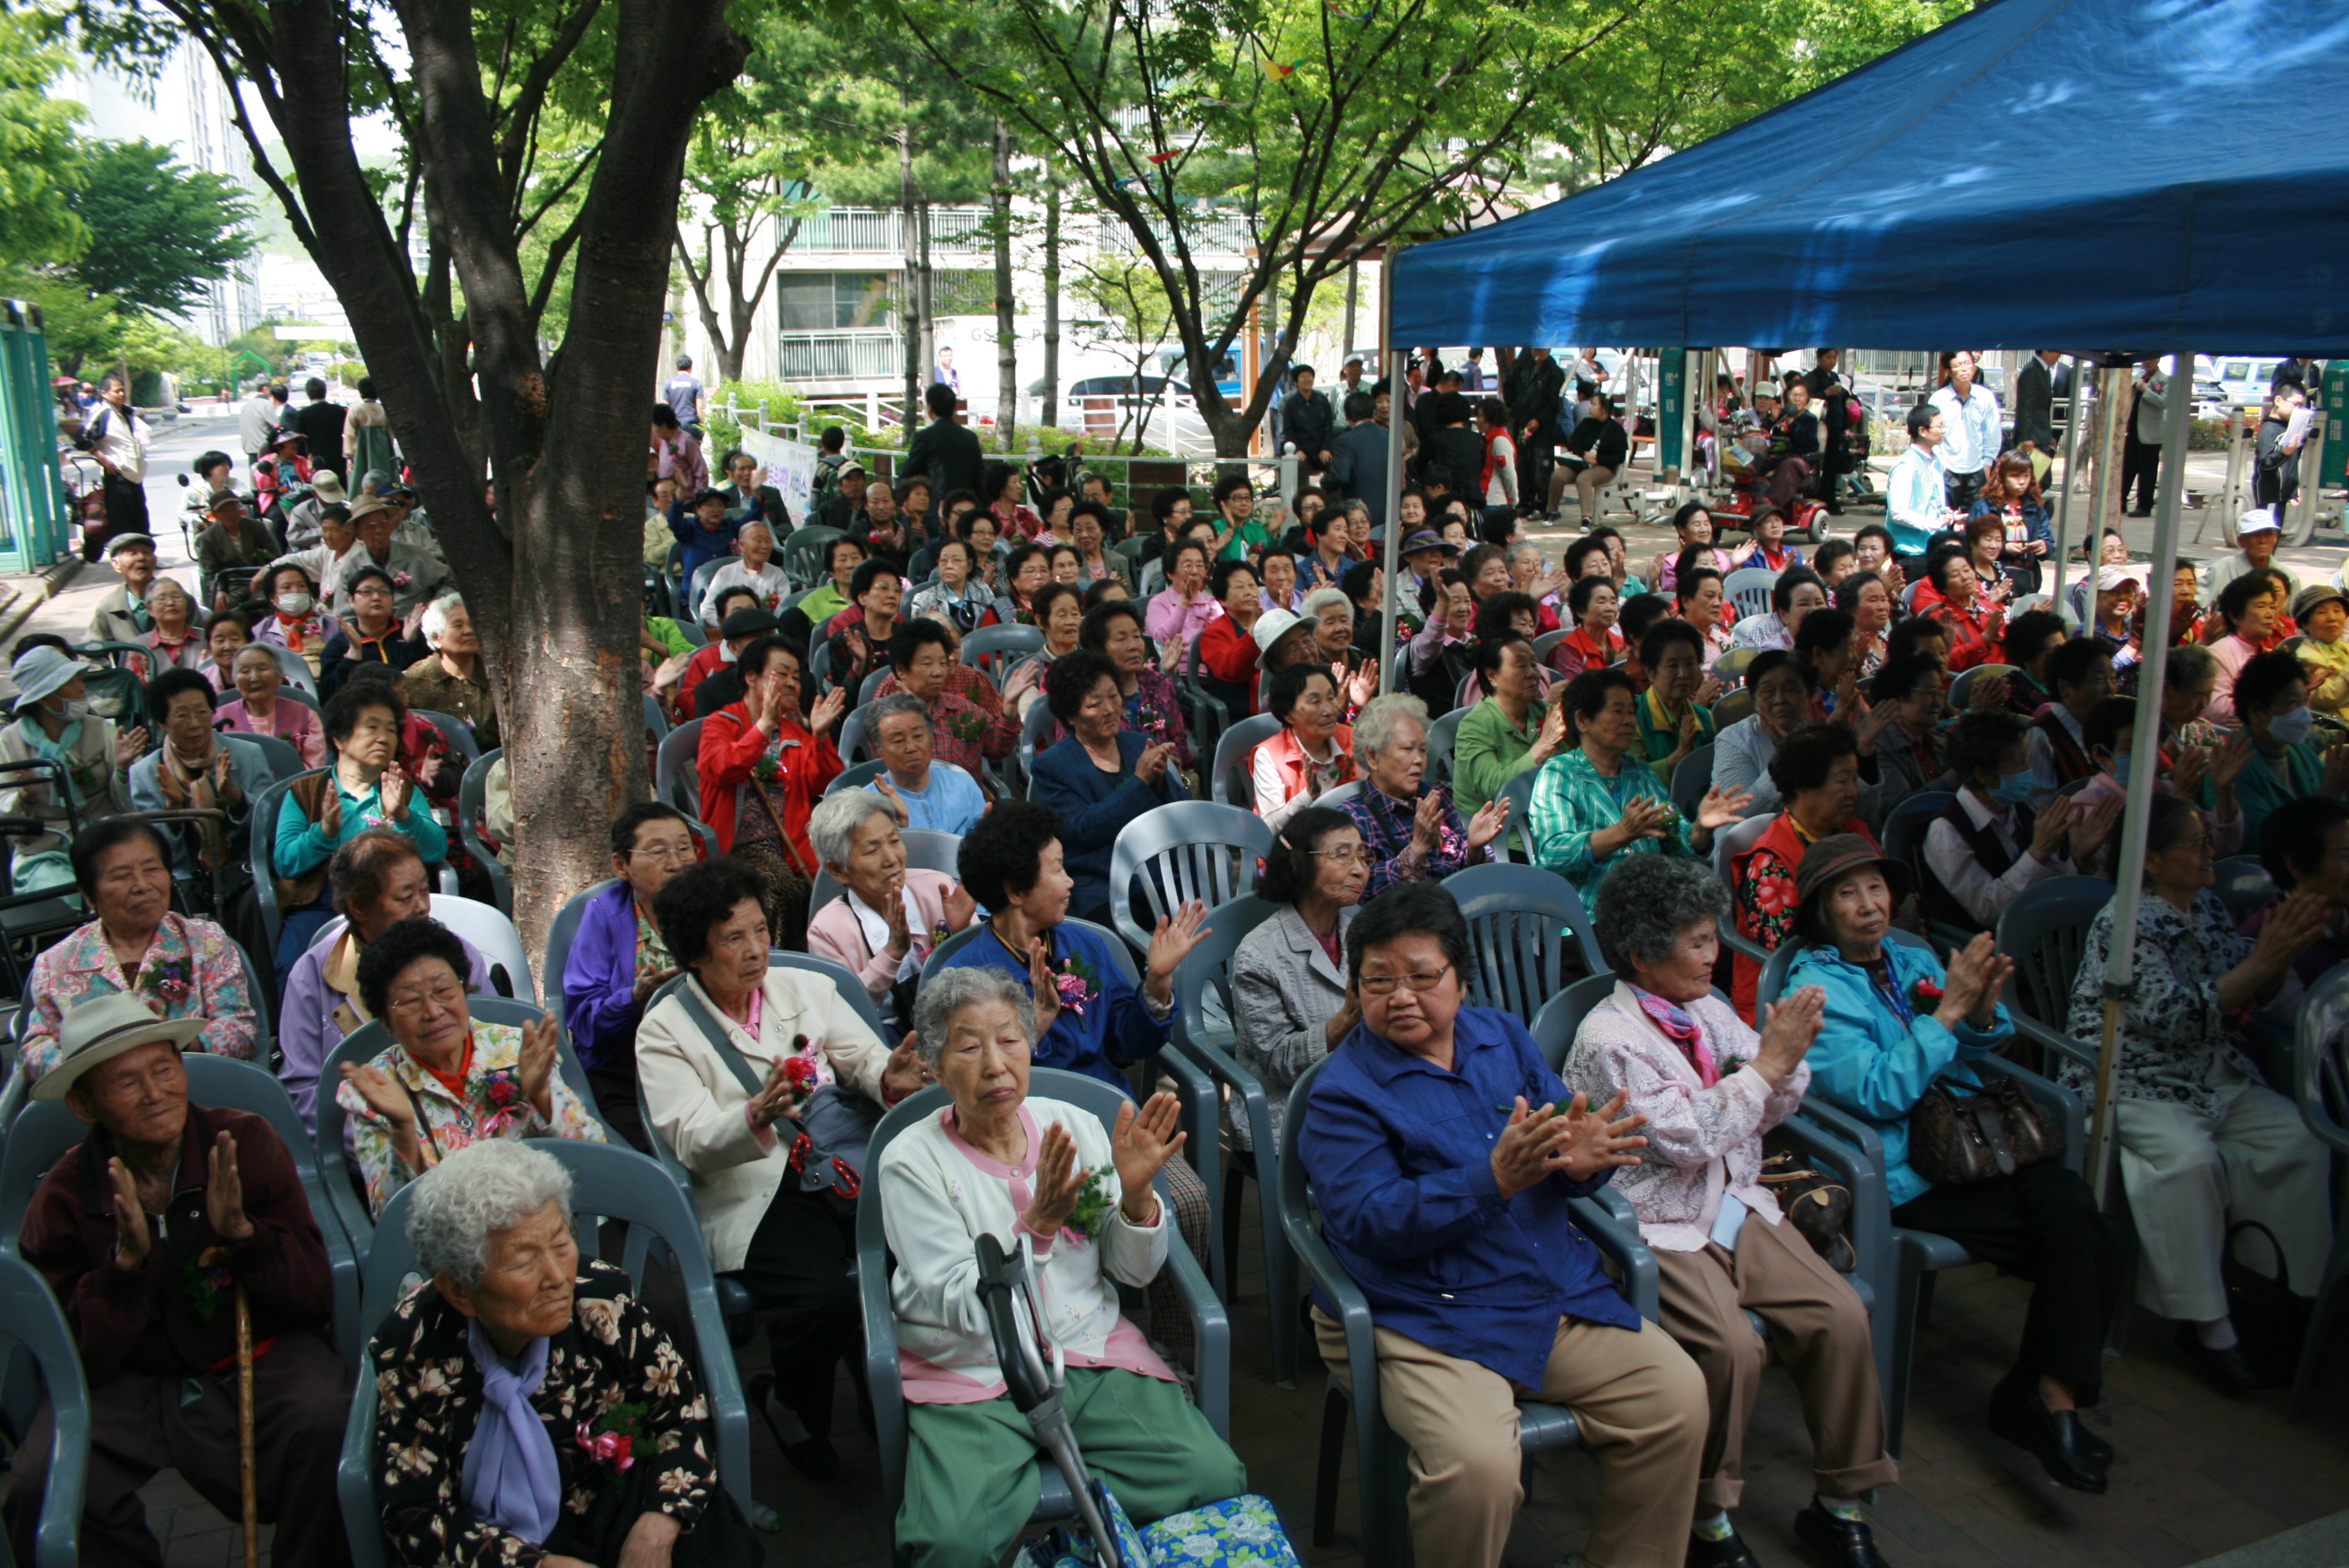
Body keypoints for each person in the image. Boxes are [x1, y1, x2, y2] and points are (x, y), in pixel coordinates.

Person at [1297, 879, 1705, 1568]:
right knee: (1478, 1469)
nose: (1400, 996)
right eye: (1378, 981)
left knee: (1677, 1399)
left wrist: (1581, 1163)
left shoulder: (1502, 1037)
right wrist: (1493, 1180)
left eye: (1422, 977)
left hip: (1542, 1290)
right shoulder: (1344, 1094)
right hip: (1419, 1315)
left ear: (1460, 980)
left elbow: (1566, 1141)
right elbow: (1368, 1223)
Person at [1571, 854, 1898, 1564]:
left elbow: (1772, 1088)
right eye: (1695, 941)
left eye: (1713, 936)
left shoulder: (1707, 1009)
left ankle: (1842, 1501)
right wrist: (1767, 1071)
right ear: (1641, 955)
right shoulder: (1608, 1039)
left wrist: (1780, 1064)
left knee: (1840, 1314)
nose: (1714, 954)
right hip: (1657, 1222)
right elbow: (1687, 1138)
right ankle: (1706, 1514)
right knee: (1731, 1347)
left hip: (1734, 1201)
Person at [878, 967, 1246, 1567]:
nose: (995, 1064)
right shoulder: (911, 1162)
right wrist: (1039, 1227)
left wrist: (1135, 1199)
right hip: (974, 1375)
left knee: (1210, 1478)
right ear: (936, 1067)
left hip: (1087, 1354)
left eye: (1010, 1040)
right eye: (969, 1047)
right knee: (952, 1544)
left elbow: (1132, 1275)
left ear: (1031, 1046)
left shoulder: (1070, 1125)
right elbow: (969, 1315)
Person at [1786, 837, 2123, 1490]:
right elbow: (1876, 1091)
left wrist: (1983, 1013)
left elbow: (1970, 1051)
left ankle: (2042, 1393)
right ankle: (2044, 1403)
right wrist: (1945, 1015)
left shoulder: (1911, 957)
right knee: (2080, 1240)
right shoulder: (1815, 989)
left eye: (1876, 888)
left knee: (2081, 1217)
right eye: (1847, 894)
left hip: (1980, 1140)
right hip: (1907, 1167)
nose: (1868, 906)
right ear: (1822, 913)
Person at [8, 993, 352, 1567]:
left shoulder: (243, 1143)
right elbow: (71, 1355)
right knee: (39, 1483)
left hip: (255, 1354)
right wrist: (123, 1272)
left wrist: (245, 1236)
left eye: (164, 1069)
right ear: (84, 1103)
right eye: (125, 1083)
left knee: (330, 1423)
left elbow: (313, 1294)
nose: (154, 1093)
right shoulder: (64, 1197)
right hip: (128, 1378)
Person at [634, 857, 920, 1480]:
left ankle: (903, 1405)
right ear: (693, 953)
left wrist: (886, 1077)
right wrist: (755, 1116)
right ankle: (794, 1400)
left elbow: (861, 1058)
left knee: (912, 1259)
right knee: (826, 1292)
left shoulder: (804, 989)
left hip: (841, 1162)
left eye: (761, 930)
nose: (756, 949)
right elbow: (689, 1139)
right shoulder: (665, 1031)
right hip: (754, 1185)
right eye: (733, 938)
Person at [369, 1140, 757, 1568]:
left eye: (560, 1243)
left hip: (616, 1502)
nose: (558, 1277)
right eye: (523, 1261)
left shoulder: (601, 1301)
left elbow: (682, 1414)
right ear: (460, 1290)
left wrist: (658, 1523)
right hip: (493, 1543)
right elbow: (417, 1517)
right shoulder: (413, 1350)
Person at [2060, 793, 2333, 1390]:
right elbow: (2179, 1015)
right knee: (2188, 1161)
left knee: (2298, 1140)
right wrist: (2265, 963)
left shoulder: (2204, 906)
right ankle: (2210, 1327)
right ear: (2152, 860)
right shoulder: (2125, 924)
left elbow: (2243, 970)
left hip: (2208, 1069)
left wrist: (2273, 962)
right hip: (2133, 1076)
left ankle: (2289, 1296)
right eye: (2197, 844)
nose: (2211, 853)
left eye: (2210, 840)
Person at [15, 817, 258, 1093]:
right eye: (121, 875)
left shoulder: (205, 942)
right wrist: (87, 1062)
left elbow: (240, 1030)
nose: (142, 885)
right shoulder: (57, 963)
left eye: (152, 869)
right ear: (88, 894)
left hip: (195, 1092)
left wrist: (176, 1042)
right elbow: (33, 1051)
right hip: (100, 1106)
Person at [271, 679, 448, 968]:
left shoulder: (401, 790)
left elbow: (435, 850)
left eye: (391, 729)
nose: (384, 737)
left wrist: (404, 816)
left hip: (392, 903)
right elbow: (285, 862)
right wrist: (324, 833)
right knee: (295, 966)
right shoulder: (304, 793)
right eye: (372, 727)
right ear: (340, 738)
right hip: (320, 904)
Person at [1533, 668, 1749, 900]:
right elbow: (1552, 853)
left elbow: (1677, 841)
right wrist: (1621, 833)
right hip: (1588, 913)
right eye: (1617, 711)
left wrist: (1701, 829)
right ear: (1583, 720)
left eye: (1631, 712)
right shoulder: (1560, 773)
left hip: (1651, 905)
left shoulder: (1641, 773)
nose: (1629, 721)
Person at [1230, 807, 1366, 1154]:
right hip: (1290, 1110)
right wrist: (1344, 1022)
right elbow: (1277, 1061)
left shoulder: (1363, 934)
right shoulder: (1259, 954)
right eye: (1341, 855)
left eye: (1363, 856)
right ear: (1299, 863)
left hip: (1362, 1092)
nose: (1359, 869)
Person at [697, 636, 847, 947]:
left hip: (793, 842)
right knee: (776, 885)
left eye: (796, 675)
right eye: (782, 673)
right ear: (751, 676)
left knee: (843, 874)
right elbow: (722, 769)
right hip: (737, 845)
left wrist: (819, 737)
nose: (793, 683)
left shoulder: (793, 732)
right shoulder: (720, 724)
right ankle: (780, 962)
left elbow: (822, 783)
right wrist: (763, 726)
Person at [1029, 651, 1193, 923]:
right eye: (1095, 703)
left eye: (1114, 696)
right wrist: (1140, 782)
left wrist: (1162, 781)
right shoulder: (1052, 766)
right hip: (1103, 886)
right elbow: (1082, 829)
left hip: (1159, 874)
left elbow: (1179, 813)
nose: (1109, 709)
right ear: (1070, 715)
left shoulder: (1139, 744)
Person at [1725, 721, 1876, 1018]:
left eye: (1854, 780)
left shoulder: (1857, 835)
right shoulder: (1769, 863)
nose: (1853, 792)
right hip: (1792, 998)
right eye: (1842, 781)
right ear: (1804, 786)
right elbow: (1790, 958)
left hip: (1862, 975)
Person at [805, 790, 980, 1040]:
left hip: (959, 1019)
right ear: (838, 870)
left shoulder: (938, 887)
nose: (891, 859)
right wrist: (892, 954)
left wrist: (961, 934)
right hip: (885, 1040)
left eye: (894, 841)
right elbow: (845, 1014)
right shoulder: (827, 930)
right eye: (871, 851)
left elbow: (984, 976)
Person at [1917, 711, 2110, 931]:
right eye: (2019, 763)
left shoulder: (2019, 809)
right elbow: (1986, 910)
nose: (2027, 770)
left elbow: (2051, 884)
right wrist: (2037, 853)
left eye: (2027, 759)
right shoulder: (1946, 831)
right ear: (1983, 774)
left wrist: (2078, 858)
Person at [1340, 692, 1507, 897]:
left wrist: (1475, 849)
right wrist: (1417, 849)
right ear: (1373, 756)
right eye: (1408, 749)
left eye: (1422, 750)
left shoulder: (1436, 795)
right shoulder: (1355, 818)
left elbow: (1476, 875)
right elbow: (1363, 891)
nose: (1419, 760)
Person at [0, 643, 140, 879]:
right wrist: (26, 797)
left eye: (80, 679)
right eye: (71, 682)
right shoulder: (8, 742)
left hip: (105, 836)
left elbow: (126, 803)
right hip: (45, 849)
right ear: (45, 697)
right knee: (60, 888)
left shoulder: (100, 729)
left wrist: (123, 769)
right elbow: (7, 820)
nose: (81, 688)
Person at [1453, 632, 1568, 822]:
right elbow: (1496, 788)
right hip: (1501, 832)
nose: (1532, 672)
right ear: (1492, 676)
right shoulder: (1474, 726)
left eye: (1534, 664)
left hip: (1549, 819)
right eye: (1521, 665)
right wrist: (1544, 744)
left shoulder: (1544, 712)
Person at [1075, 597, 1196, 770]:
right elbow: (1078, 763)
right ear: (1098, 648)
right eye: (1121, 639)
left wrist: (1170, 759)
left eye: (1136, 636)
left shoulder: (1159, 684)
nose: (1133, 646)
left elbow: (1180, 745)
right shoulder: (1085, 699)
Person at [2246, 794, 2349, 988]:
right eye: (2346, 856)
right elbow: (2301, 1016)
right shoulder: (2264, 946)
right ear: (2296, 866)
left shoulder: (2341, 910)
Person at [861, 692, 986, 834]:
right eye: (898, 741)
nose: (911, 747)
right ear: (879, 751)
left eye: (918, 736)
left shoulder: (963, 784)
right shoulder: (869, 805)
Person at [398, 591, 500, 748]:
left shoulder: (498, 677)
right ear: (437, 638)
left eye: (472, 624)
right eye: (458, 625)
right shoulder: (414, 681)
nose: (468, 631)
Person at [2023, 636, 2116, 802]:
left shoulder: (2110, 729)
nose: (2110, 689)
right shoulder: (2042, 735)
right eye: (2099, 680)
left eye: (2113, 679)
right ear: (2065, 687)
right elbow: (2039, 807)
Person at [319, 563, 425, 701]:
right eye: (367, 592)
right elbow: (328, 696)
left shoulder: (411, 632)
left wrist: (411, 644)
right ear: (351, 600)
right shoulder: (340, 644)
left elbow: (424, 683)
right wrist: (353, 656)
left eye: (384, 591)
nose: (376, 597)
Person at [2206, 570, 2294, 726]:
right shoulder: (2218, 654)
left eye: (2272, 607)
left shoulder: (2268, 654)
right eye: (2261, 607)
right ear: (2235, 616)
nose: (2270, 614)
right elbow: (2220, 710)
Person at [78, 372, 152, 554]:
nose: (121, 394)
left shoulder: (127, 413)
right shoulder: (102, 413)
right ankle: (125, 560)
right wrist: (102, 458)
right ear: (104, 393)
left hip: (135, 477)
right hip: (118, 476)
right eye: (117, 391)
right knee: (123, 524)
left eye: (123, 391)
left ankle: (145, 556)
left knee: (140, 520)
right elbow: (81, 437)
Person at [1921, 545, 2005, 673]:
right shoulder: (1939, 618)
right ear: (1943, 586)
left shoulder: (1989, 607)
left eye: (1967, 570)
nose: (1965, 577)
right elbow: (1949, 662)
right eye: (1955, 574)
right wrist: (1985, 638)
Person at [2202, 507, 2301, 615]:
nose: (2263, 541)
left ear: (2275, 538)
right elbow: (2195, 605)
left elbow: (2298, 621)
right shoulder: (2221, 569)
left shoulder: (2290, 577)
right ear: (2241, 541)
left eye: (2268, 535)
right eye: (2256, 535)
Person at [193, 490, 277, 612]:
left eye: (233, 508)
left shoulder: (256, 527)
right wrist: (219, 591)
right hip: (231, 585)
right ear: (215, 515)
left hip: (260, 579)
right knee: (225, 608)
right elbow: (211, 572)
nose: (231, 514)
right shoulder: (208, 538)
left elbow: (275, 556)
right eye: (224, 511)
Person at [254, 560, 341, 676]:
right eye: (287, 587)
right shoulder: (262, 631)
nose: (295, 591)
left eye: (301, 586)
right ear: (273, 598)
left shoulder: (332, 624)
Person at [1884, 406, 1949, 562]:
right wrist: (1933, 524)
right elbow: (1898, 512)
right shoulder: (1906, 466)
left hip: (1931, 547)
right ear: (1923, 431)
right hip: (1910, 552)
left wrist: (1948, 517)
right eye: (1939, 426)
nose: (1944, 430)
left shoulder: (1935, 460)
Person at [903, 379, 986, 500]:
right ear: (953, 408)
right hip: (964, 506)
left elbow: (909, 473)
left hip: (934, 508)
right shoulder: (970, 437)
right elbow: (979, 478)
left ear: (930, 407)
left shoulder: (925, 437)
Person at [1732, 566, 1828, 655]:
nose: (1814, 610)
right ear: (1784, 614)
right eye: (1804, 604)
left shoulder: (1835, 640)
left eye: (1819, 603)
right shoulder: (1772, 650)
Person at [87, 532, 163, 643]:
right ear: (116, 564)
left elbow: (197, 640)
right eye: (132, 553)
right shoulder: (110, 607)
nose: (141, 558)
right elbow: (92, 649)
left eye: (146, 552)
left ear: (155, 560)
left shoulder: (178, 599)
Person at [2122, 357, 2167, 516]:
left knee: (2147, 470)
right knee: (2127, 467)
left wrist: (2146, 391)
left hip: (2150, 432)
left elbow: (2164, 402)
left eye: (2151, 359)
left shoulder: (2164, 380)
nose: (2146, 362)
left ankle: (2144, 505)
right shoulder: (2138, 376)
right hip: (2132, 428)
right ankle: (2121, 501)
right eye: (2145, 359)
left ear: (2158, 360)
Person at [1285, 363, 1336, 470]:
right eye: (1303, 377)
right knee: (1298, 468)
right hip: (1301, 450)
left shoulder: (1322, 400)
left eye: (1309, 376)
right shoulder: (1291, 403)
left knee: (1335, 467)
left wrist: (1326, 448)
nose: (1307, 379)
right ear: (1296, 382)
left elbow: (1328, 425)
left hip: (1321, 449)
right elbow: (1288, 430)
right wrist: (1297, 450)